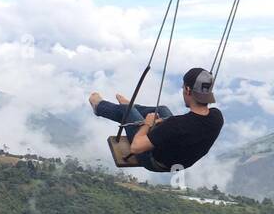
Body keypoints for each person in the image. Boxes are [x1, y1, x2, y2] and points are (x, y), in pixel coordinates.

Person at [90, 67, 223, 174]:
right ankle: (132, 108)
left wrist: (147, 125)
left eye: (183, 88)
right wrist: (161, 124)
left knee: (126, 112)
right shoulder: (217, 117)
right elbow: (188, 127)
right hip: (179, 157)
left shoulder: (175, 125)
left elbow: (136, 147)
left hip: (156, 162)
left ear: (187, 90)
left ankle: (100, 106)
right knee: (162, 109)